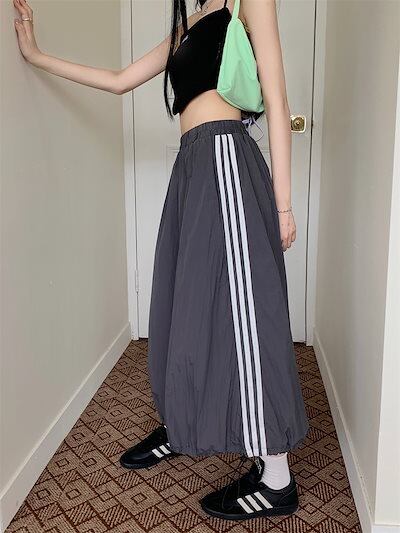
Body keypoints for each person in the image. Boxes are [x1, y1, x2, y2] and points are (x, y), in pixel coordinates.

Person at [14, 0, 309, 521]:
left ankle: (277, 478)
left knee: (246, 315)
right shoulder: (190, 21)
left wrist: (283, 205)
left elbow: (277, 98)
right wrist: (36, 54)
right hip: (192, 165)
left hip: (224, 158)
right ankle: (183, 422)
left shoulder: (249, 3)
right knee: (181, 305)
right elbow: (120, 79)